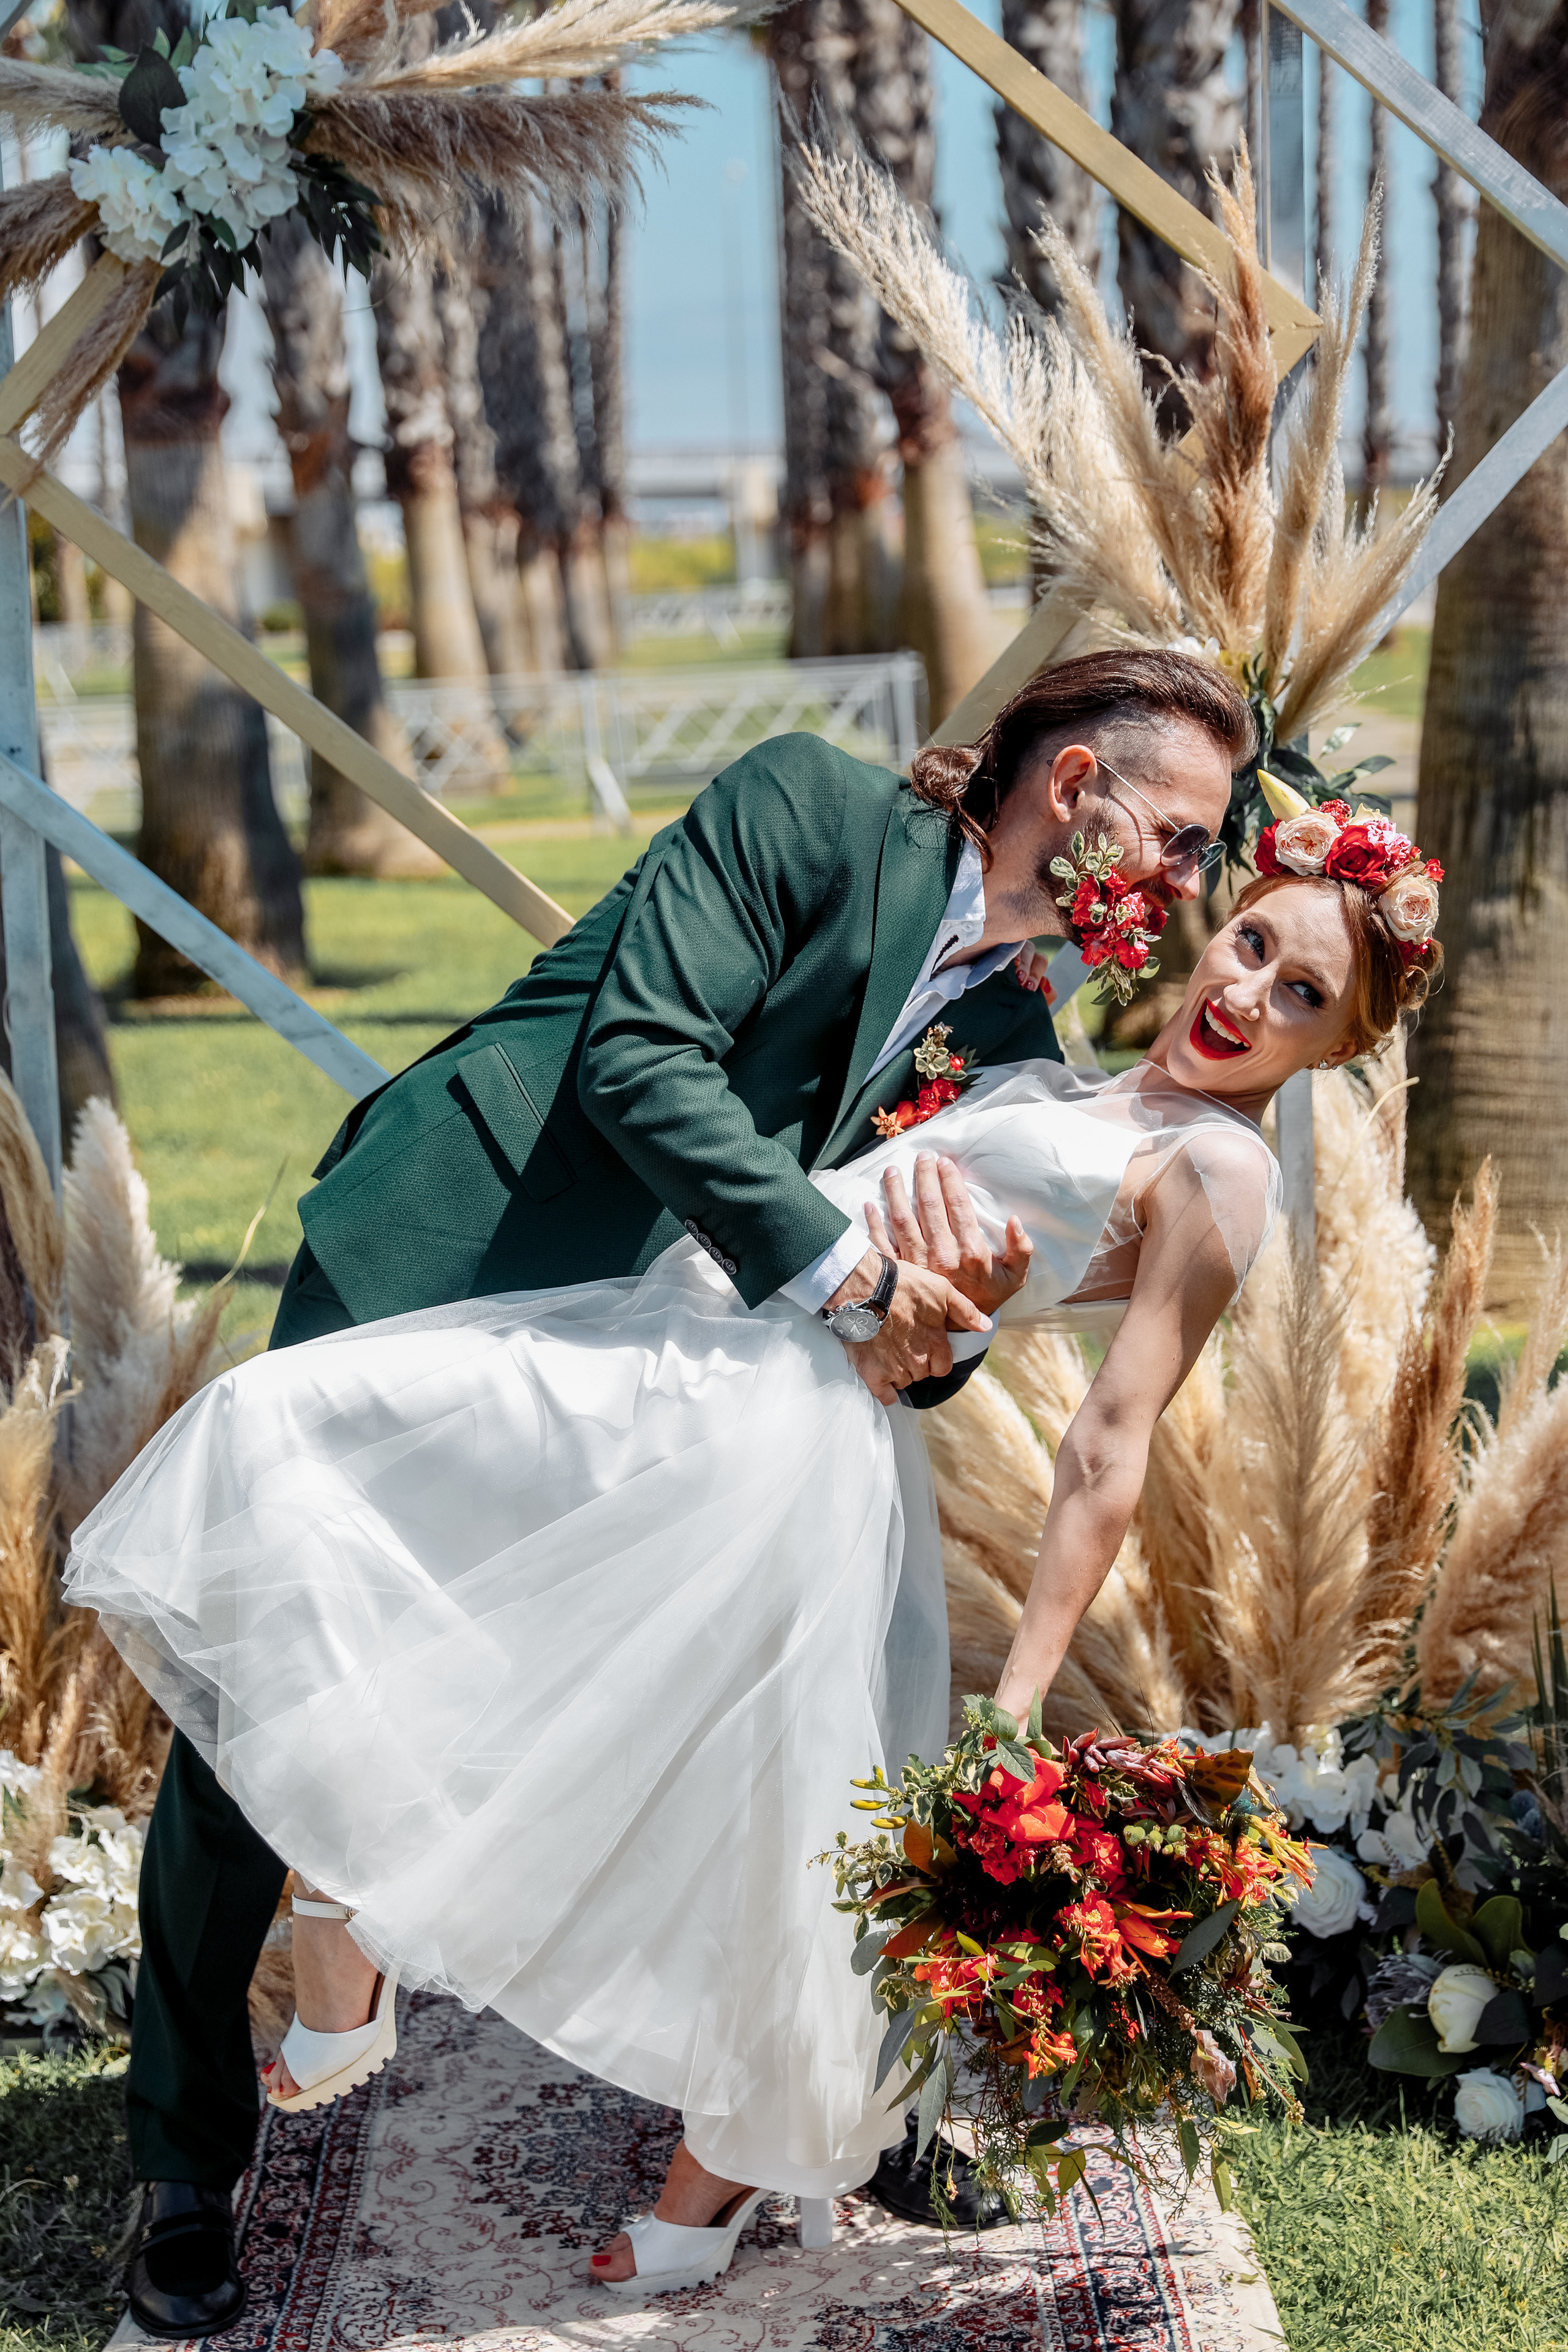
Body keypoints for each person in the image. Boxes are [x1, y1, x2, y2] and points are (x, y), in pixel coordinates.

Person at [91, 648, 1253, 2335]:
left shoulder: (1012, 1028)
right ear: (1074, 787)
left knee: (808, 1701)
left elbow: (930, 1313)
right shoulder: (802, 803)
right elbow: (643, 1059)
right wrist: (857, 1284)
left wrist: (938, 1326)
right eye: (1185, 833)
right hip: (462, 1245)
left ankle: (843, 2094)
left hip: (652, 1373)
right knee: (268, 1693)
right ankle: (181, 2162)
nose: (1190, 880)